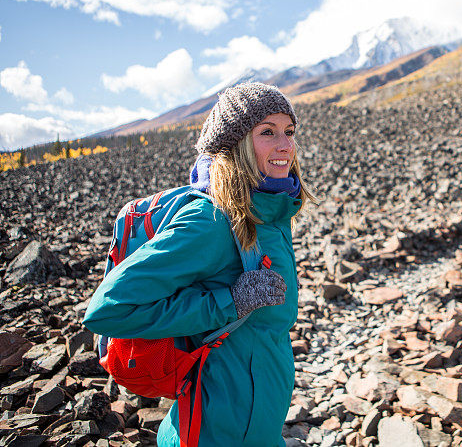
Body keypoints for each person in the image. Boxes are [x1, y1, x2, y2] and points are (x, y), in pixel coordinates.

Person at [83, 83, 314, 446]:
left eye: (289, 131)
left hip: (255, 426)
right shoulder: (211, 220)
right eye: (267, 132)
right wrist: (229, 302)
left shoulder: (270, 212)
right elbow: (107, 310)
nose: (285, 145)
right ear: (234, 145)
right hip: (209, 433)